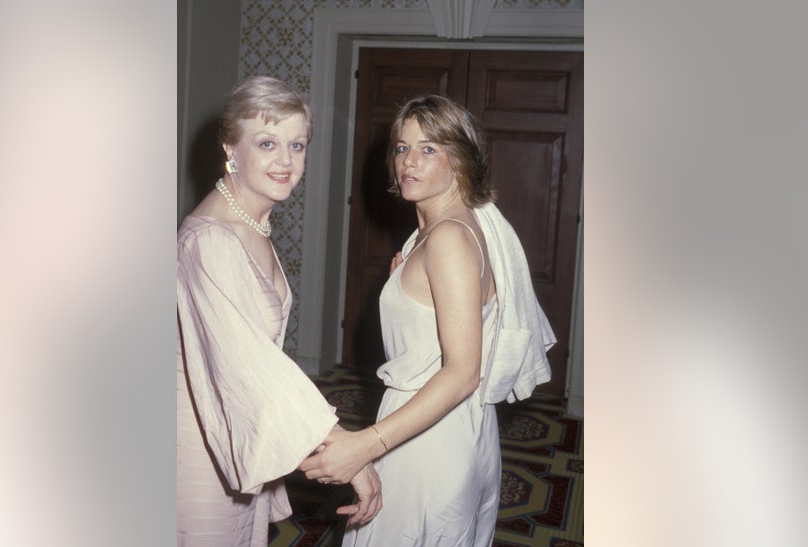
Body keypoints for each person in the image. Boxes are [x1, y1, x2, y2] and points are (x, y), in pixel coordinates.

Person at [297, 94, 557, 546]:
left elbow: (462, 373)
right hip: (457, 429)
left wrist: (365, 445)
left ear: (462, 160)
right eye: (402, 147)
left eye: (429, 148)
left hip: (429, 437)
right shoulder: (451, 227)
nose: (409, 162)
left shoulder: (449, 238)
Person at [177, 76, 382, 546]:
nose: (286, 161)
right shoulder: (211, 239)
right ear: (231, 148)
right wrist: (351, 453)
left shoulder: (250, 221)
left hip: (236, 425)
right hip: (204, 448)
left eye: (297, 145)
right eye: (267, 143)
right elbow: (254, 368)